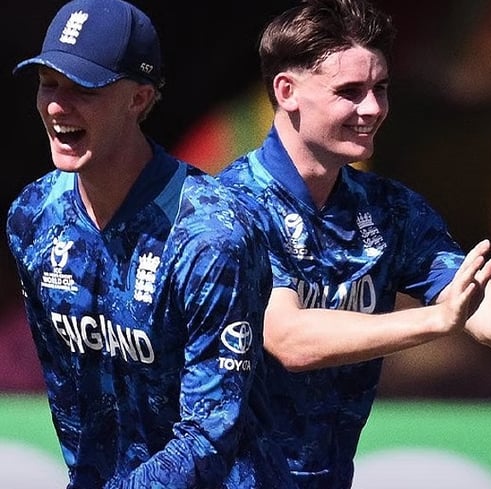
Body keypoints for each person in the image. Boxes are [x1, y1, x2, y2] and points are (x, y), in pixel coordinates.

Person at [215, 0, 491, 487]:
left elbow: (487, 315)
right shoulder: (228, 206)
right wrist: (434, 320)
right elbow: (288, 339)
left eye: (380, 88)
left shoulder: (391, 209)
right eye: (349, 92)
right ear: (287, 91)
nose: (372, 108)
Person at [7, 0, 295, 488]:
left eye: (83, 88)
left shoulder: (211, 234)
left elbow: (211, 433)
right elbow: (73, 401)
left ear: (139, 99)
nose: (57, 105)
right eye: (48, 83)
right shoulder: (33, 215)